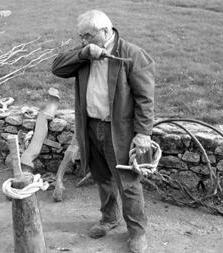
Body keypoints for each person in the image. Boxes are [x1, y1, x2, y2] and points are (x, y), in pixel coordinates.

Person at [51, 9, 155, 253]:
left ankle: (137, 232)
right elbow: (57, 68)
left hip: (120, 131)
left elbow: (145, 99)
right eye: (81, 36)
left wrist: (143, 134)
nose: (84, 40)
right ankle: (109, 218)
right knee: (101, 178)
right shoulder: (85, 54)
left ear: (106, 31)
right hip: (91, 126)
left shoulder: (132, 54)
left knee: (128, 183)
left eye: (88, 36)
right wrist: (83, 53)